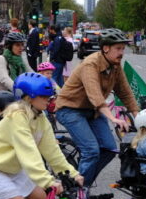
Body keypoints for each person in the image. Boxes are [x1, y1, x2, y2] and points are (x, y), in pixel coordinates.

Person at [54, 29, 140, 190]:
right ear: (105, 48)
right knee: (91, 151)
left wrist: (139, 116)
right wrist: (113, 118)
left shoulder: (115, 65)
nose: (122, 53)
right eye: (118, 49)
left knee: (109, 148)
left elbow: (125, 92)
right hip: (70, 109)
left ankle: (83, 180)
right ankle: (77, 192)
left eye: (123, 49)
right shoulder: (90, 64)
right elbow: (95, 96)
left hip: (91, 111)